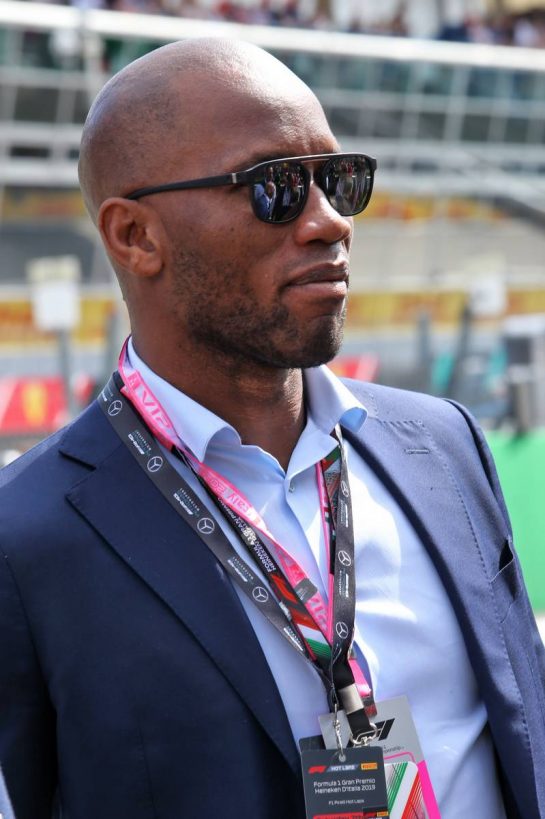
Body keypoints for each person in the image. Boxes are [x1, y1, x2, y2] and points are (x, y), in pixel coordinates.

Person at [0, 38, 544, 819]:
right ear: (134, 237)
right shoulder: (23, 541)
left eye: (339, 180)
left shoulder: (445, 446)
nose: (329, 223)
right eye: (276, 187)